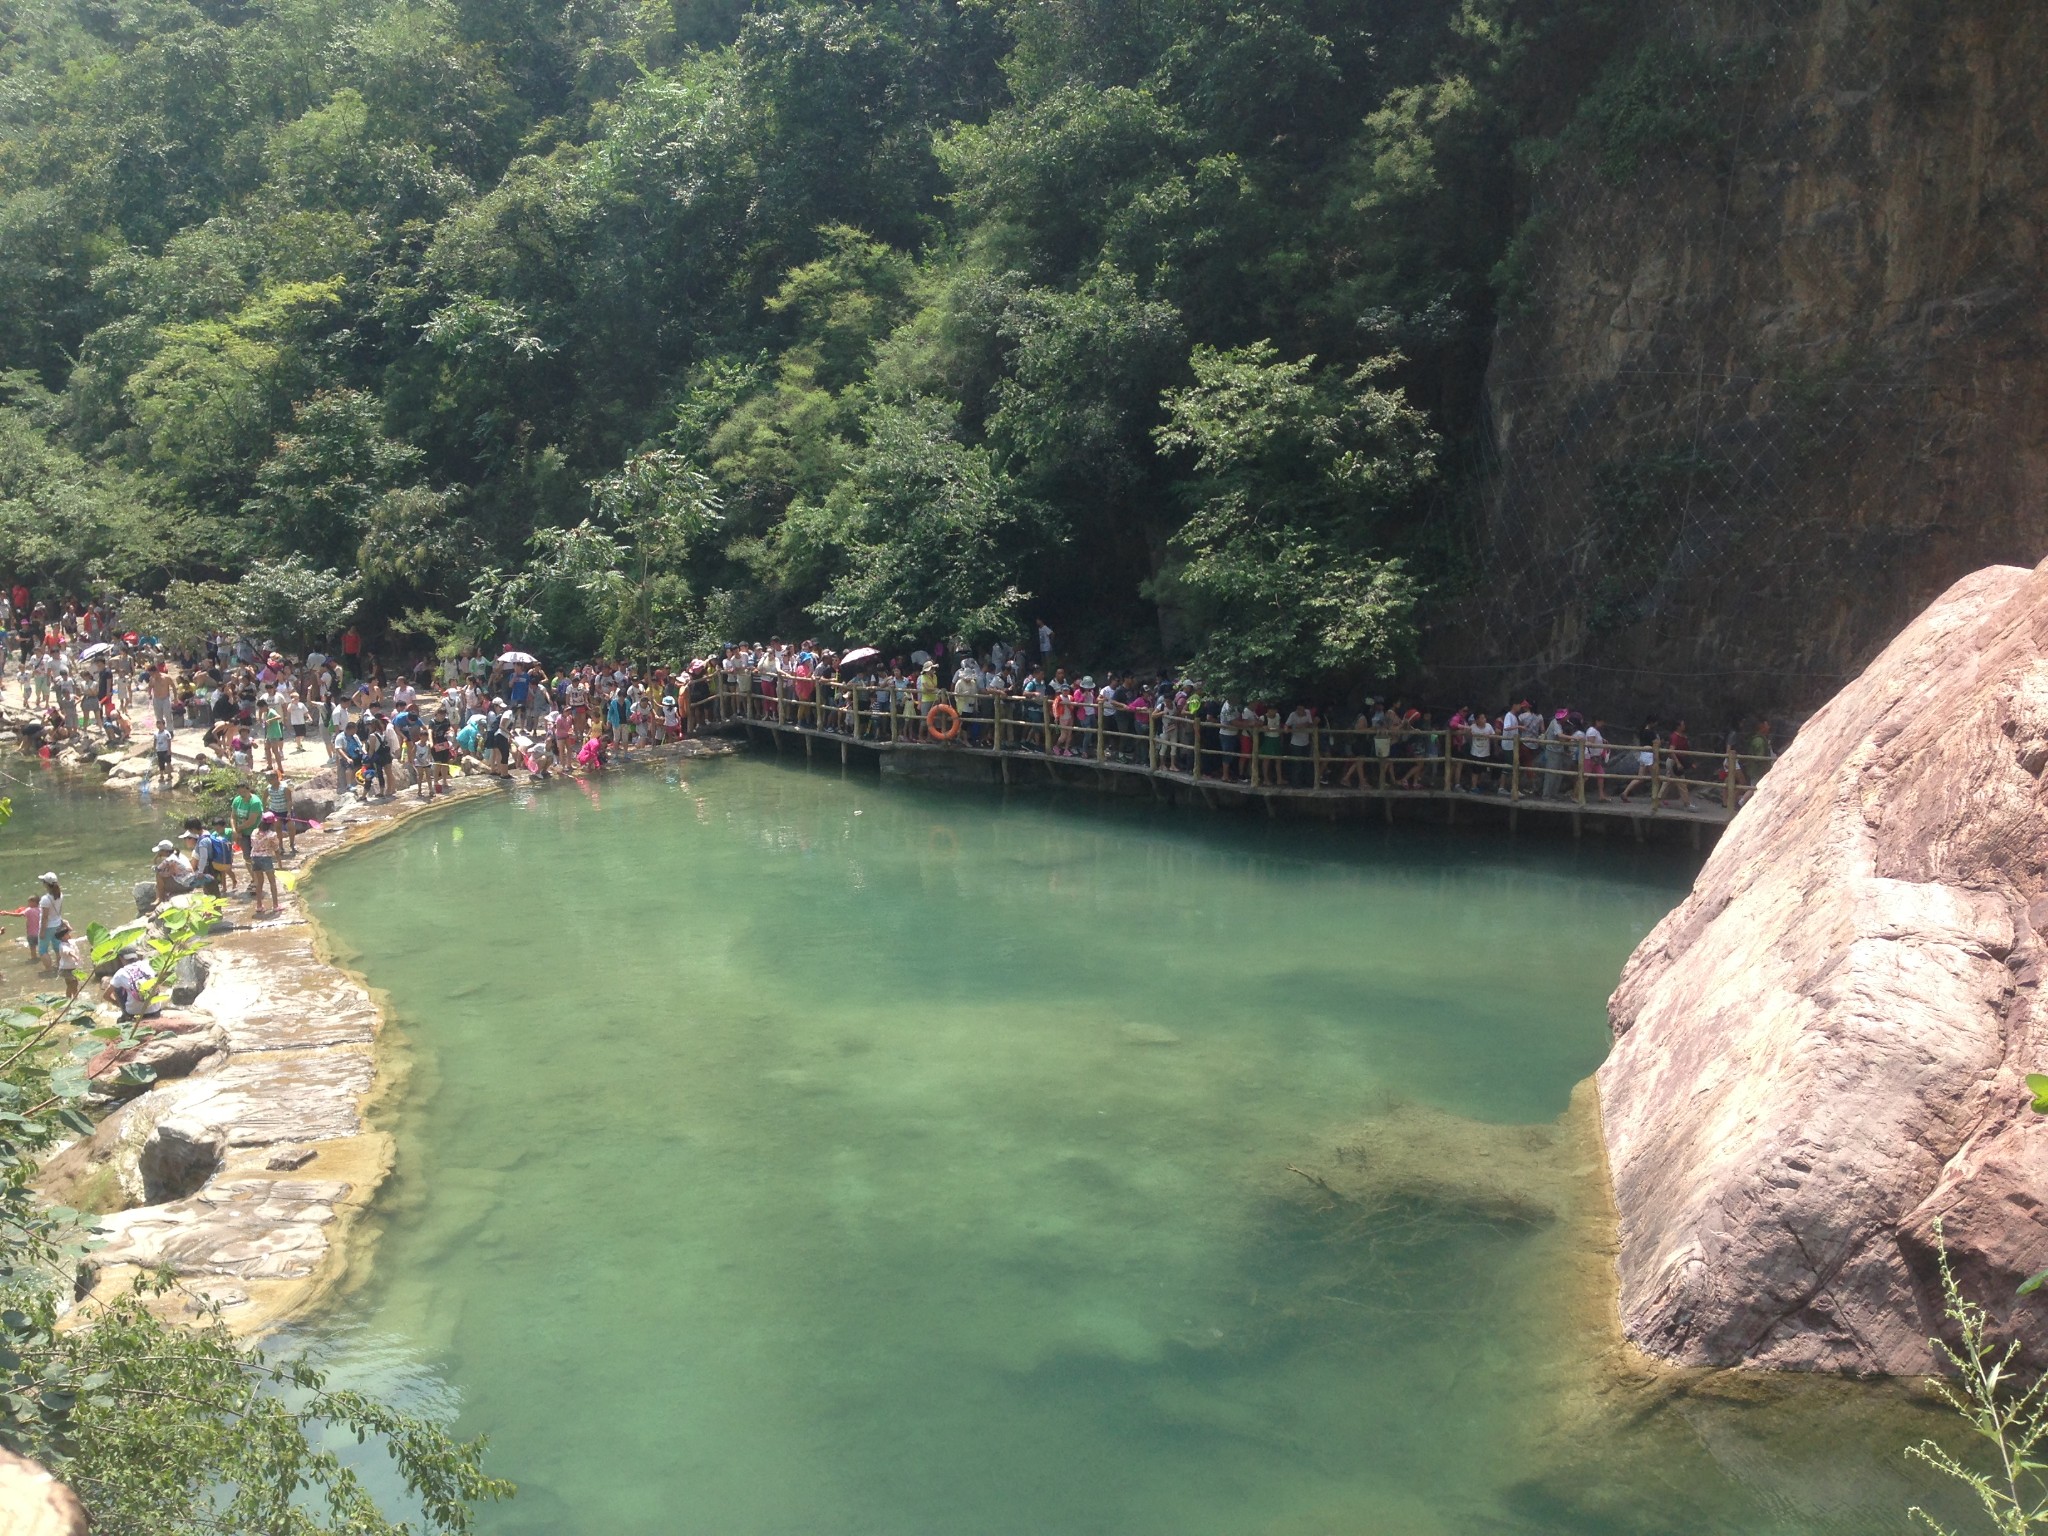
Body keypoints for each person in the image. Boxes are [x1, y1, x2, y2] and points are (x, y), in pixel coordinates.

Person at [105, 949, 163, 1021]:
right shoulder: (147, 964)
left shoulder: (120, 973)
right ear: (136, 956)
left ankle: (125, 1015)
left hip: (133, 1013)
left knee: (117, 988)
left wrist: (118, 1005)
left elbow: (106, 996)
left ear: (120, 958)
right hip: (155, 1010)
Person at [248, 813, 283, 914]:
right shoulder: (272, 835)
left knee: (259, 883)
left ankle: (259, 905)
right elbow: (276, 849)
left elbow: (252, 845)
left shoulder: (254, 832)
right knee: (272, 882)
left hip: (254, 858)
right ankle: (276, 905)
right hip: (266, 858)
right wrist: (280, 863)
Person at [32, 873, 61, 972]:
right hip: (57, 924)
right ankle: (60, 967)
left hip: (48, 927)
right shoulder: (60, 896)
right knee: (57, 948)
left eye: (43, 882)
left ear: (46, 884)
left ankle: (49, 970)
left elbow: (45, 917)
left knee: (42, 950)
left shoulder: (45, 899)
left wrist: (42, 931)